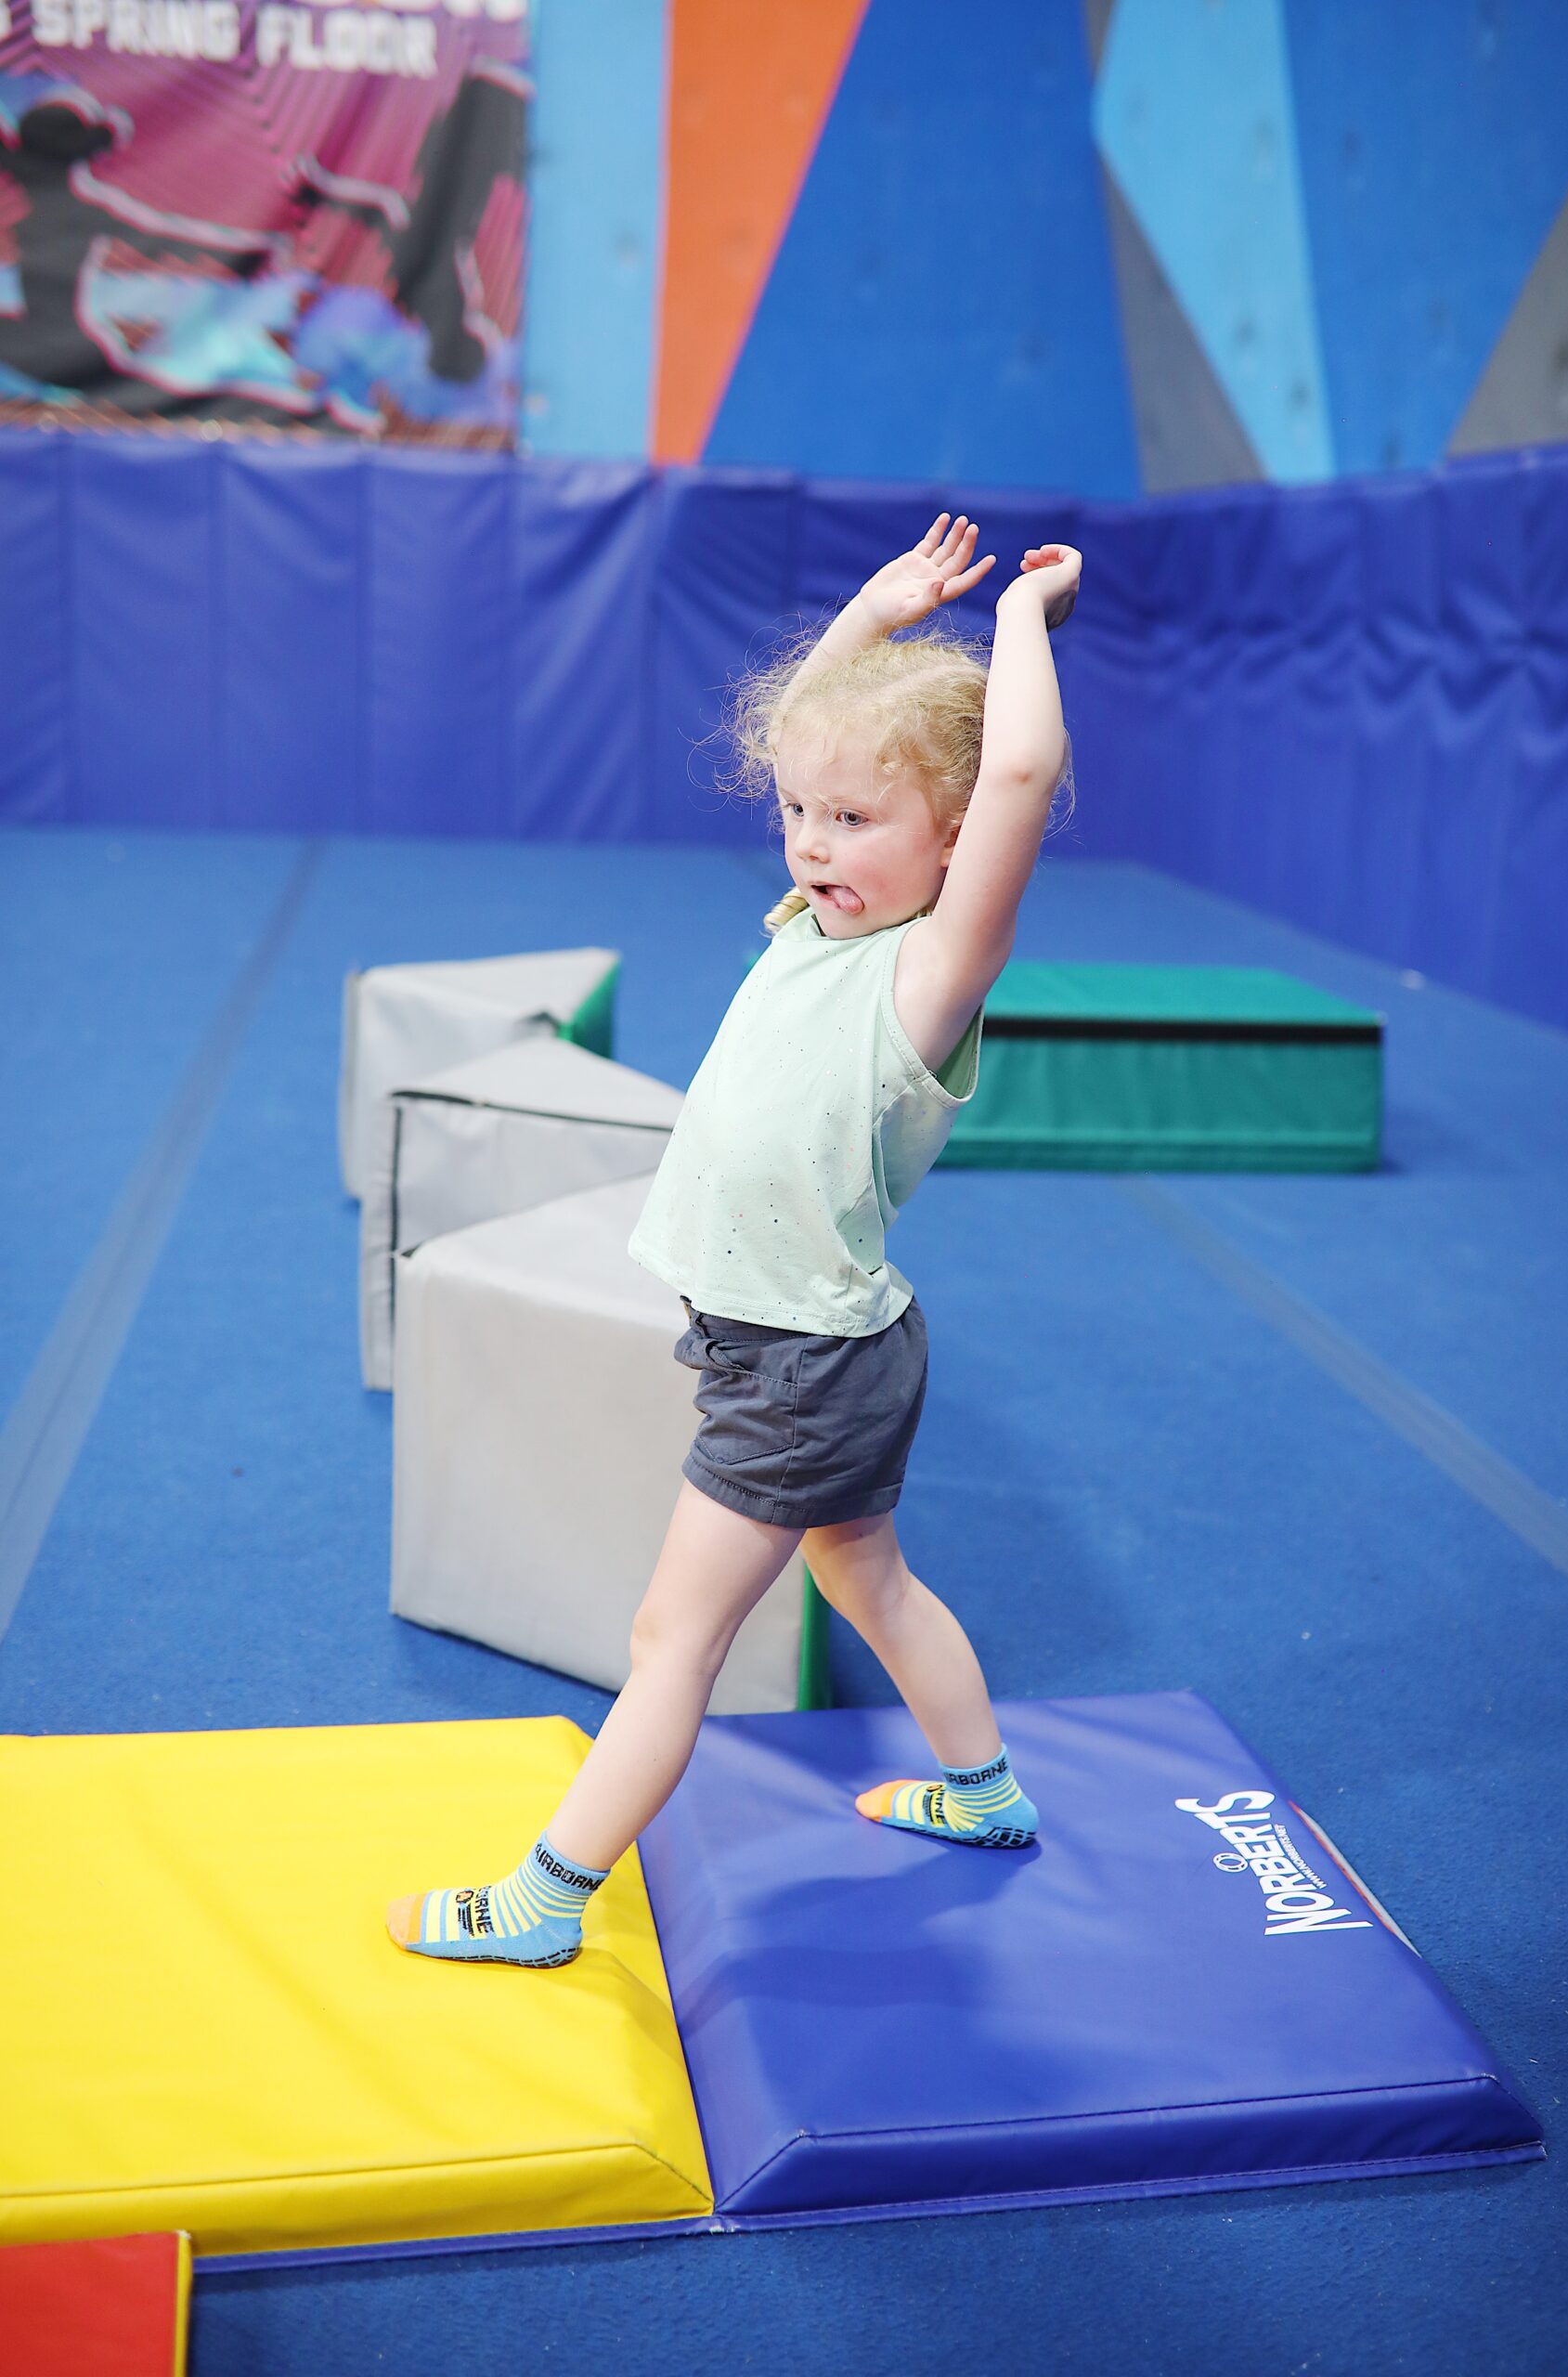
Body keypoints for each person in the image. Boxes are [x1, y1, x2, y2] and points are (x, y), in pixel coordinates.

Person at [386, 513, 1082, 1968]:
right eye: (801, 818)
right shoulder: (812, 921)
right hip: (809, 1341)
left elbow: (1016, 771)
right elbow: (811, 746)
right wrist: (872, 621)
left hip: (803, 1367)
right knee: (865, 1575)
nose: (816, 842)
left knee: (669, 1643)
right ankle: (987, 1794)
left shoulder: (928, 972)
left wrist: (1019, 625)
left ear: (951, 840)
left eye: (857, 822)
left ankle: (540, 1904)